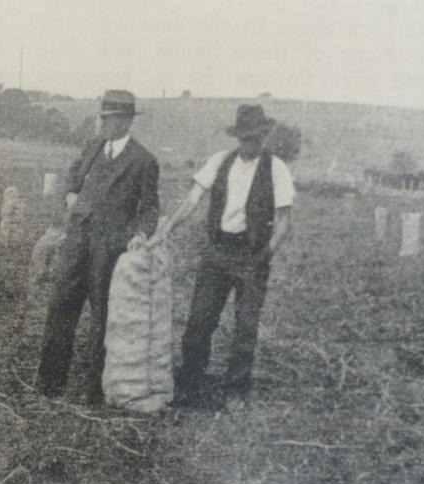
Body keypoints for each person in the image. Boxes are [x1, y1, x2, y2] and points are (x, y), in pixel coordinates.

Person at [152, 104, 295, 409]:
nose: (250, 143)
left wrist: (265, 254)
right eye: (245, 137)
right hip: (218, 252)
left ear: (264, 136)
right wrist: (165, 231)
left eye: (255, 138)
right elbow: (192, 199)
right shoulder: (219, 162)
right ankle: (190, 382)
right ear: (237, 136)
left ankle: (236, 390)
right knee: (199, 321)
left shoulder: (277, 168)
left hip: (252, 255)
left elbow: (283, 220)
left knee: (245, 326)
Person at [36, 90, 160, 404]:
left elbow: (149, 208)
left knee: (104, 317)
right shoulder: (92, 147)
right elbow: (70, 178)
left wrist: (141, 235)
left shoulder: (143, 161)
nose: (104, 124)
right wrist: (68, 197)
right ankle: (49, 383)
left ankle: (95, 390)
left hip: (111, 247)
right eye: (102, 118)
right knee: (61, 305)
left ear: (127, 121)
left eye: (111, 119)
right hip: (77, 240)